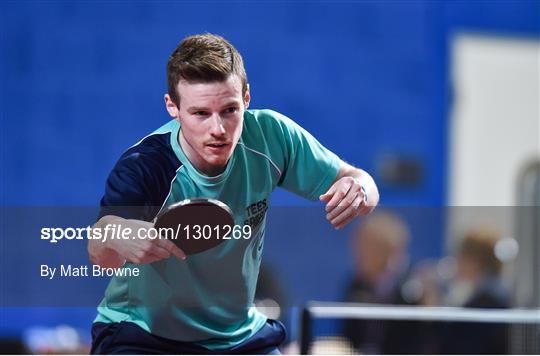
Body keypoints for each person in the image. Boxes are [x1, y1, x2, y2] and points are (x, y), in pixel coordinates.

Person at [88, 33, 379, 354]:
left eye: (229, 110)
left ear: (247, 98)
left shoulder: (271, 136)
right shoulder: (146, 165)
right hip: (145, 334)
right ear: (173, 107)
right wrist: (119, 234)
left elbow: (359, 179)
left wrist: (360, 189)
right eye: (200, 113)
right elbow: (100, 250)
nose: (218, 129)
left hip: (236, 335)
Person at [342, 210, 426, 354]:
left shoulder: (417, 288)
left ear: (389, 249)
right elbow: (348, 337)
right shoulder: (355, 285)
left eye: (367, 246)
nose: (358, 254)